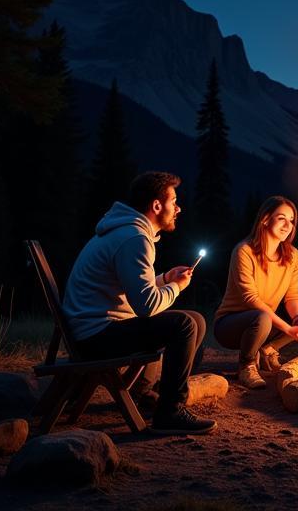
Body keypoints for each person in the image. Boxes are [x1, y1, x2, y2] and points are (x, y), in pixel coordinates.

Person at [62, 171, 215, 435]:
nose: (178, 208)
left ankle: (151, 395)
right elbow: (145, 305)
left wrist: (165, 278)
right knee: (184, 325)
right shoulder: (135, 238)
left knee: (197, 320)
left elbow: (131, 286)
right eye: (173, 201)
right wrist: (176, 287)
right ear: (157, 205)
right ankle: (170, 412)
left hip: (93, 330)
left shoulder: (127, 232)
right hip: (95, 337)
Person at [213, 195, 298, 390]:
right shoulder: (244, 251)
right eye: (281, 218)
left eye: (291, 220)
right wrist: (288, 329)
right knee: (262, 316)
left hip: (265, 321)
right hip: (231, 325)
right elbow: (251, 300)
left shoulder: (292, 255)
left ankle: (267, 350)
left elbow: (292, 295)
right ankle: (246, 365)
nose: (287, 225)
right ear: (265, 219)